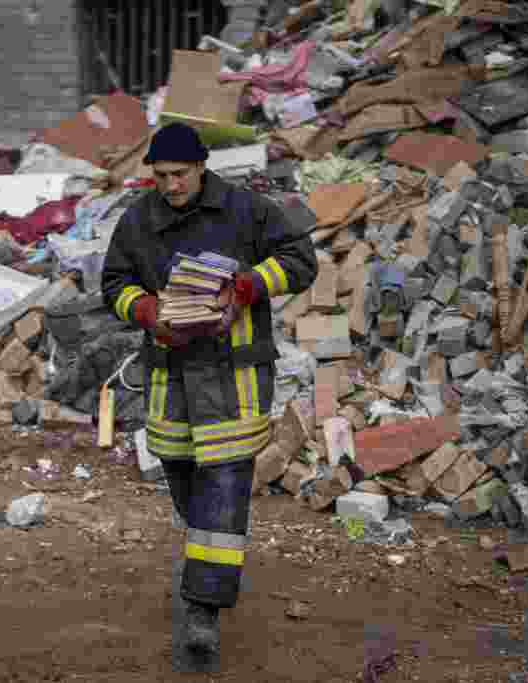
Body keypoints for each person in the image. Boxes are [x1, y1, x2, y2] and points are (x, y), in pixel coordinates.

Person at [101, 122, 318, 655]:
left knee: (223, 482)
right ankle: (204, 548)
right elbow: (113, 283)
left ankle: (203, 610)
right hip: (169, 370)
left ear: (201, 168)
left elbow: (300, 261)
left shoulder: (248, 210)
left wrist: (246, 286)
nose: (170, 185)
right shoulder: (139, 219)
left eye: (179, 175)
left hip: (233, 374)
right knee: (180, 472)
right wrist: (147, 310)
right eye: (161, 176)